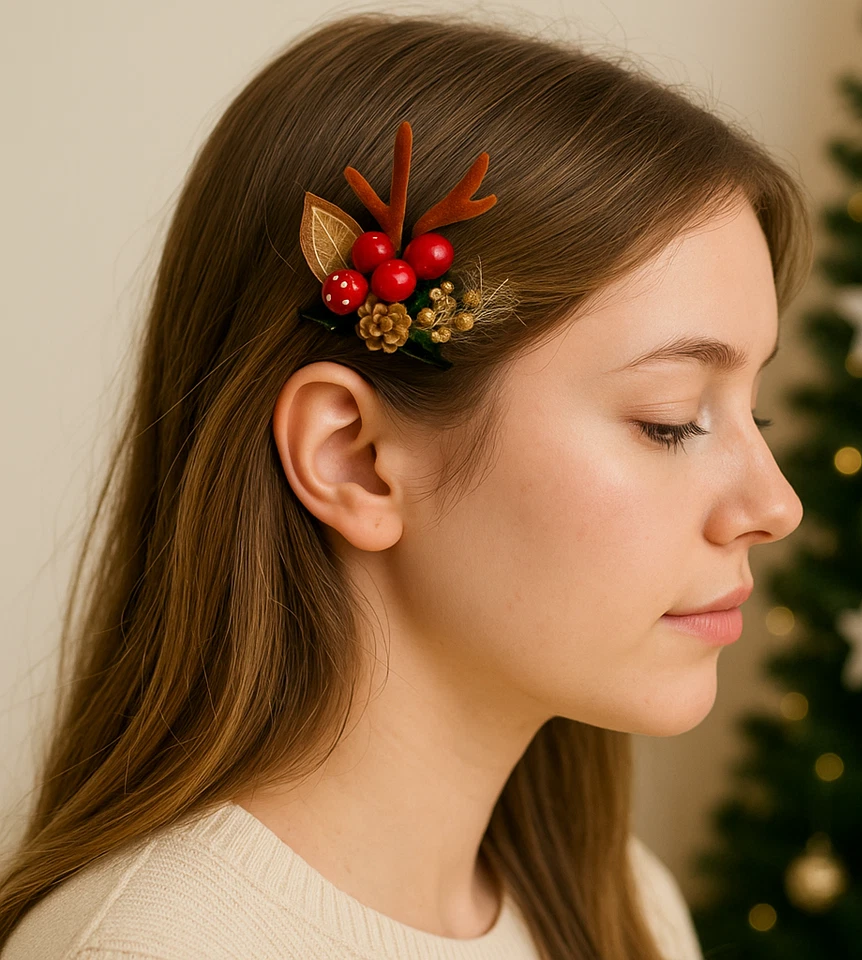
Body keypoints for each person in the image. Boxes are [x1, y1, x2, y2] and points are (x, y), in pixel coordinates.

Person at [0, 10, 813, 960]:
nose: (775, 506)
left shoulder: (630, 912)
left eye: (755, 416)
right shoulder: (148, 947)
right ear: (353, 456)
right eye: (669, 419)